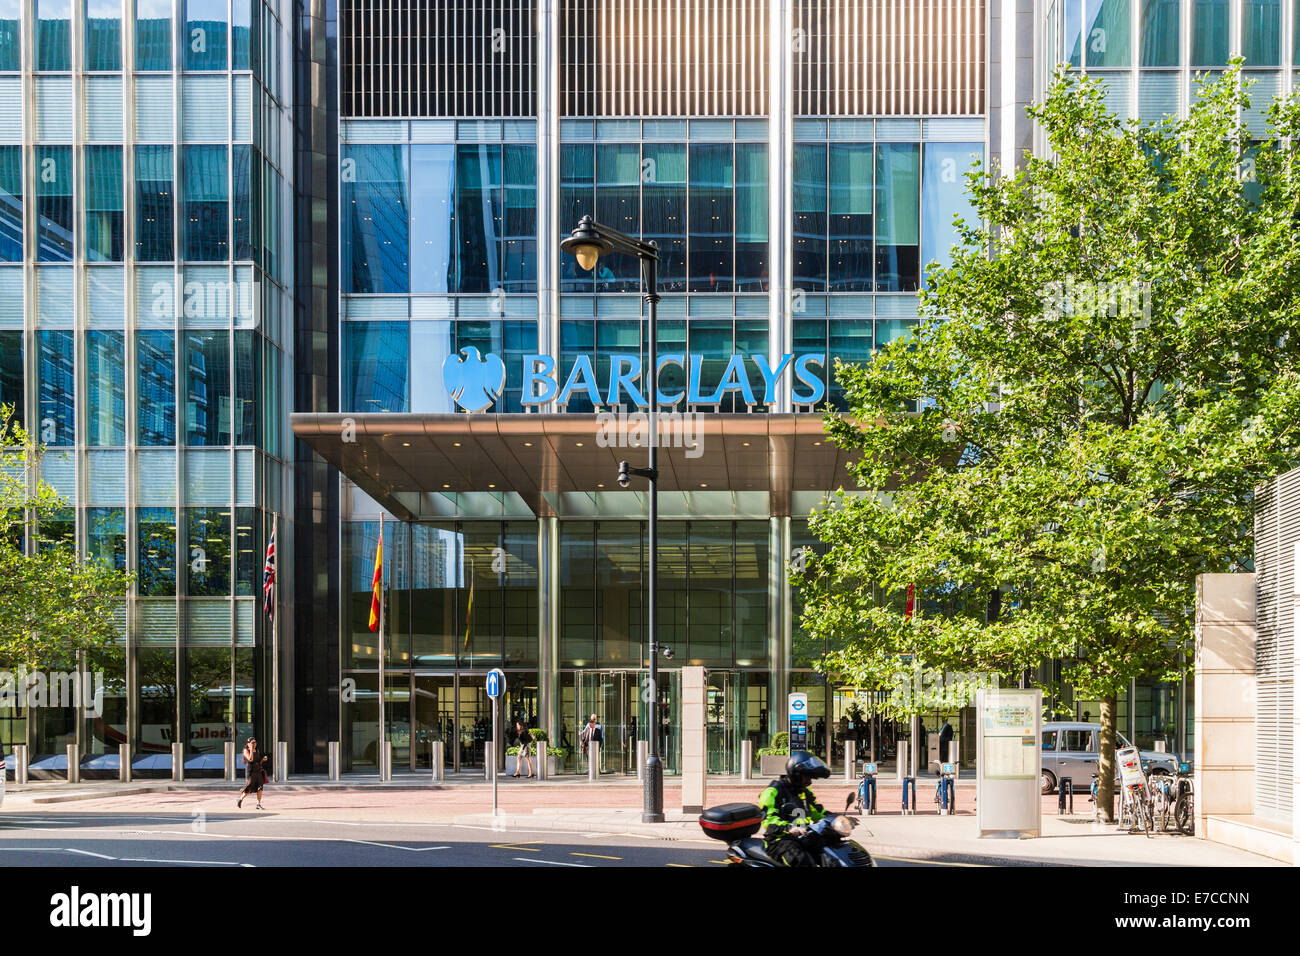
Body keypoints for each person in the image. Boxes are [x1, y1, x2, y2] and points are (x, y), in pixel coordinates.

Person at [759, 751, 830, 867]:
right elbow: (769, 821)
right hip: (780, 840)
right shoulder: (773, 792)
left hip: (803, 836)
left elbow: (817, 812)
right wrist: (790, 828)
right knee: (803, 861)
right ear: (796, 774)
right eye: (807, 777)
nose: (809, 781)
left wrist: (837, 819)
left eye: (811, 777)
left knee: (829, 851)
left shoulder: (804, 792)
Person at [237, 737, 267, 810]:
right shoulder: (245, 750)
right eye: (252, 743)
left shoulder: (257, 750)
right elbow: (250, 759)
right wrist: (250, 750)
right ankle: (240, 799)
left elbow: (258, 761)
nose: (254, 744)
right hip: (250, 771)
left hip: (258, 770)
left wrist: (262, 760)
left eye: (255, 742)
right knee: (249, 787)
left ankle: (258, 804)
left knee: (260, 787)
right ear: (248, 744)